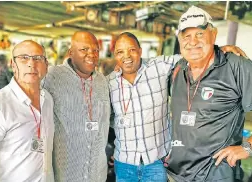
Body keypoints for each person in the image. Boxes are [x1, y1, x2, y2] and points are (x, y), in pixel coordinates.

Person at [107, 32, 246, 182]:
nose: (126, 56)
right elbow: (107, 117)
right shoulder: (109, 83)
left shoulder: (159, 66)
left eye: (132, 50)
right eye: (120, 52)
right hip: (124, 162)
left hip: (157, 162)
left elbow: (193, 55)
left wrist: (217, 50)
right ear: (114, 55)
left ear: (140, 51)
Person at [167, 6, 252, 182]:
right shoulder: (176, 69)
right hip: (177, 174)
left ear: (213, 35)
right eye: (187, 36)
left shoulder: (237, 66)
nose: (193, 41)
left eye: (200, 34)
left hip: (216, 176)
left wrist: (248, 147)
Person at [0, 40, 54, 182]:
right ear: (13, 64)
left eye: (38, 58)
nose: (31, 63)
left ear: (46, 65)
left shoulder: (48, 99)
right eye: (24, 58)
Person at [43, 31, 110, 182]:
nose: (91, 54)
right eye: (84, 49)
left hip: (96, 174)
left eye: (95, 50)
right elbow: (24, 98)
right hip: (65, 174)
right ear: (70, 52)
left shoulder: (102, 82)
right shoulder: (51, 77)